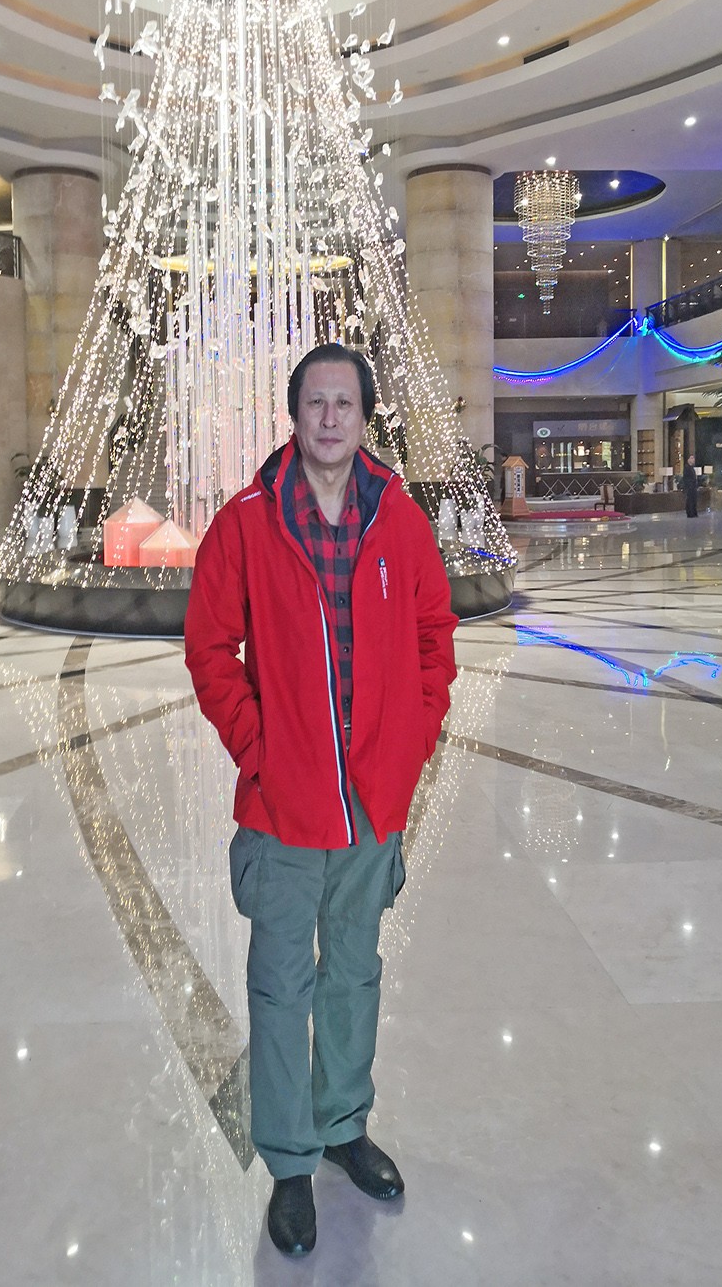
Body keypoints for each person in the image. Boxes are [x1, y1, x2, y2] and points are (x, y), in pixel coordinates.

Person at [184, 343, 457, 1257]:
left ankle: (343, 1125)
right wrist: (260, 751)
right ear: (294, 415)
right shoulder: (247, 522)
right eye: (315, 403)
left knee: (354, 972)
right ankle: (290, 1161)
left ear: (365, 417)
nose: (330, 418)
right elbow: (208, 649)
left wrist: (411, 741)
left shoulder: (400, 521)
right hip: (283, 810)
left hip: (371, 806)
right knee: (279, 985)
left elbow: (434, 636)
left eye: (345, 403)